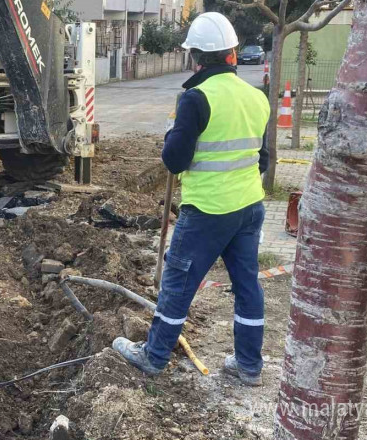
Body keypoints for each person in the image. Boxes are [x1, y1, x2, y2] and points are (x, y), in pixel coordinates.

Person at [111, 12, 271, 386]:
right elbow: (261, 158)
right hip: (249, 206)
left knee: (178, 284)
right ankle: (249, 365)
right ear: (232, 54)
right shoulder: (257, 97)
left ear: (196, 57)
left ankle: (153, 355)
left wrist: (173, 135)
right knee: (247, 286)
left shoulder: (196, 99)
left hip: (207, 210)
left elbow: (174, 160)